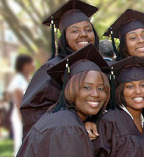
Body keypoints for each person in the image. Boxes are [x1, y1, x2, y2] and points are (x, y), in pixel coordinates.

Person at [20, 0, 100, 137]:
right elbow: (33, 110)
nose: (83, 34)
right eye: (75, 31)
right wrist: (78, 123)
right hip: (63, 139)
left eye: (88, 29)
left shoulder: (98, 66)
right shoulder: (52, 68)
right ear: (64, 38)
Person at [18, 44, 110, 157]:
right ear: (70, 88)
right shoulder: (68, 129)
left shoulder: (61, 117)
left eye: (101, 88)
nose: (95, 94)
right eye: (87, 87)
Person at [93, 56, 144, 157]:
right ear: (121, 91)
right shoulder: (110, 121)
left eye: (143, 85)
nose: (138, 91)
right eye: (130, 86)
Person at [6, 54, 34, 155]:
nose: (34, 65)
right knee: (21, 142)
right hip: (20, 115)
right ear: (25, 65)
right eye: (31, 63)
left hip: (30, 115)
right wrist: (23, 120)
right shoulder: (18, 80)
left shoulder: (31, 78)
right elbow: (18, 103)